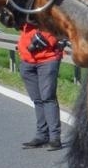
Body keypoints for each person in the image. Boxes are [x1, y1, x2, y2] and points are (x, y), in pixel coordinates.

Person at [17, 20, 64, 150]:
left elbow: (59, 30)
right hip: (27, 60)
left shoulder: (48, 11)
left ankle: (55, 137)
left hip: (47, 60)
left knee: (48, 97)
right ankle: (41, 135)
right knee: (37, 100)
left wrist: (47, 39)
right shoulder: (25, 10)